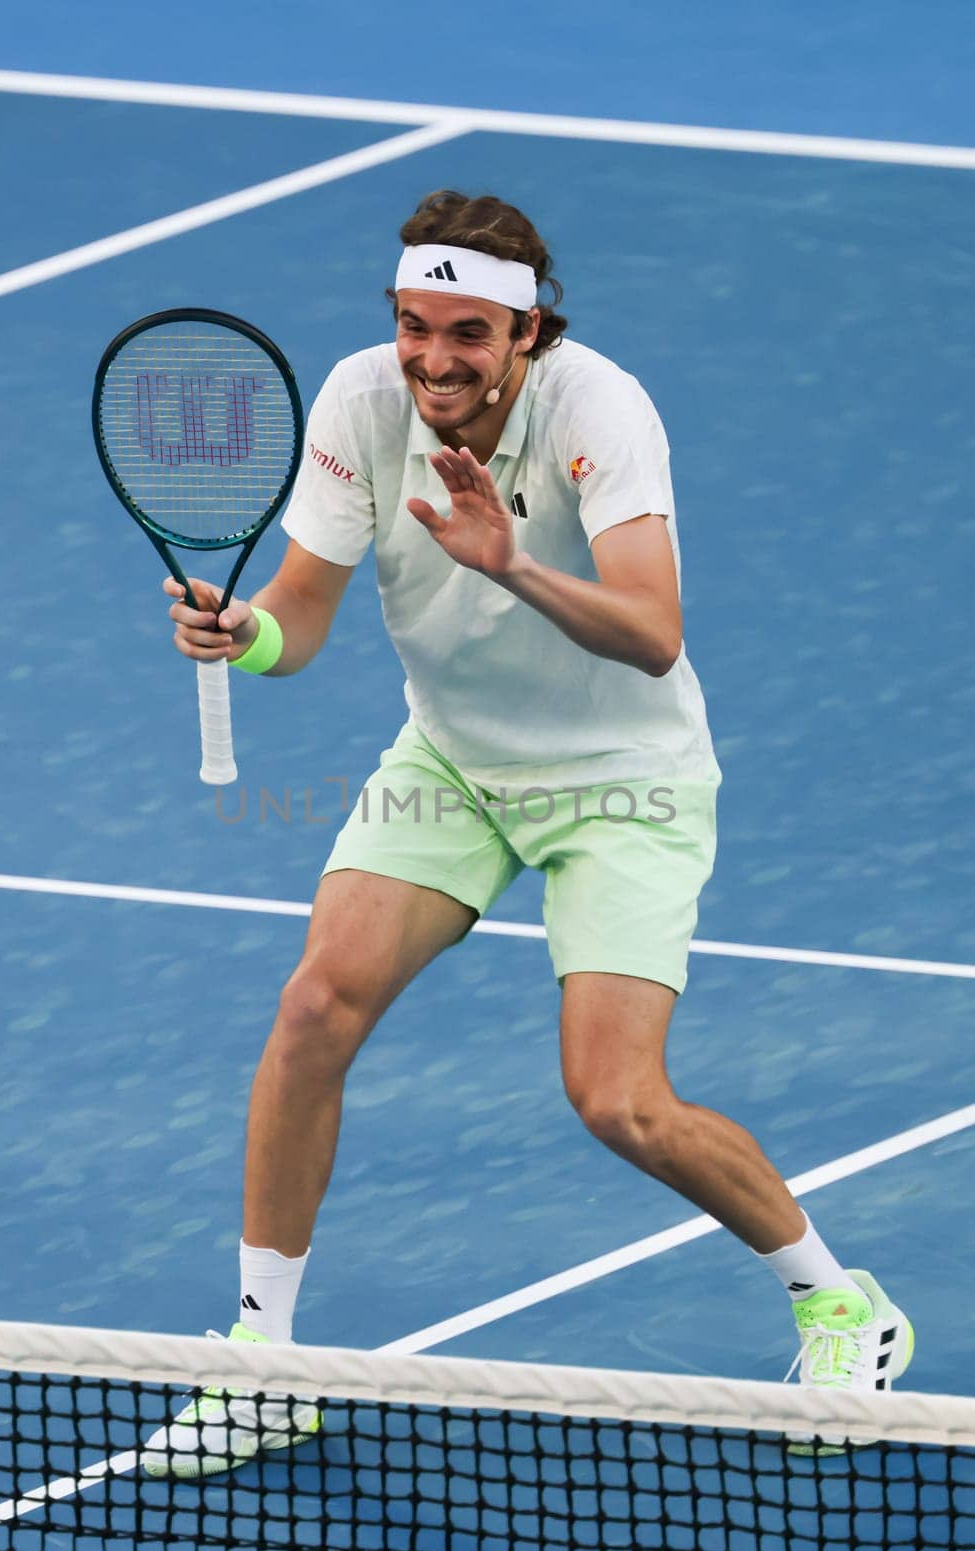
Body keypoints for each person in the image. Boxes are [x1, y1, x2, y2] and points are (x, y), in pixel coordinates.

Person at [143, 190, 911, 1475]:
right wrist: (245, 633)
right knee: (314, 1007)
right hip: (451, 758)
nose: (432, 358)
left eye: (465, 333)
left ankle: (843, 1301)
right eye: (410, 326)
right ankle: (263, 1359)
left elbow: (652, 629)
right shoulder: (356, 405)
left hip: (624, 777)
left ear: (527, 332)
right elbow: (303, 618)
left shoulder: (600, 410)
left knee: (617, 1099)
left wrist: (505, 562)